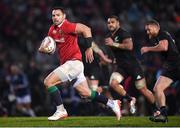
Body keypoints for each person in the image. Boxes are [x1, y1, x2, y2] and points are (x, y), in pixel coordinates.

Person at [38, 7, 121, 121]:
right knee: (86, 93)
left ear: (64, 16)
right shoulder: (52, 29)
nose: (55, 17)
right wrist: (44, 49)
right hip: (71, 65)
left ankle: (61, 110)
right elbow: (51, 49)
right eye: (53, 15)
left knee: (48, 82)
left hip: (73, 63)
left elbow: (86, 29)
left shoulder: (67, 26)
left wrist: (89, 47)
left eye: (58, 15)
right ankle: (112, 103)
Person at [105, 15, 156, 114]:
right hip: (122, 67)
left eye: (112, 22)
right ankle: (130, 99)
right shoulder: (108, 37)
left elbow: (129, 46)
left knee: (143, 90)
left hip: (133, 66)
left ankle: (157, 110)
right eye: (108, 23)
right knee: (113, 83)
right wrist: (115, 58)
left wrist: (114, 44)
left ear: (118, 23)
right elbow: (116, 51)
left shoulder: (124, 33)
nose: (110, 24)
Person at [141, 20, 180, 122]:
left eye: (148, 29)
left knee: (157, 88)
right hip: (171, 66)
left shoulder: (162, 33)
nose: (147, 32)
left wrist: (148, 49)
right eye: (146, 30)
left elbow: (164, 47)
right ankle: (162, 114)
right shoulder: (163, 35)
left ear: (156, 27)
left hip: (176, 65)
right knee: (157, 88)